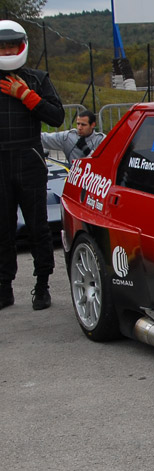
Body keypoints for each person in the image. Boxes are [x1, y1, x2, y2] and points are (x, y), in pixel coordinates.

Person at [0, 20, 65, 310]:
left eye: (11, 45)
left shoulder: (37, 79)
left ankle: (42, 285)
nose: (7, 50)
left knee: (38, 226)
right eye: (2, 46)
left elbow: (57, 117)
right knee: (3, 228)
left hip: (30, 158)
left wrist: (26, 96)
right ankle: (4, 287)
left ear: (22, 45)